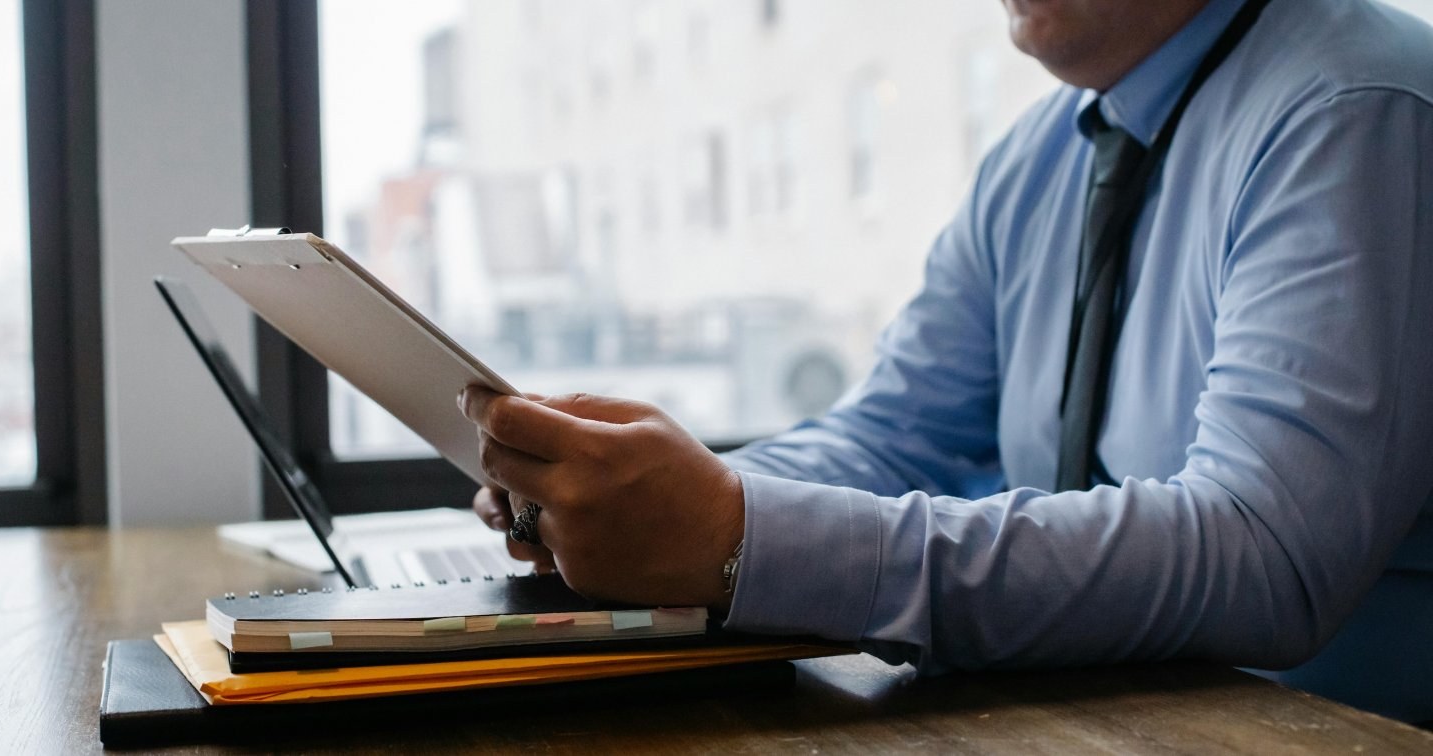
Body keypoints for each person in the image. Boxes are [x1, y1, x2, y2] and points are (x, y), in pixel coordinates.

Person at [459, 0, 1433, 723]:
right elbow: (892, 435)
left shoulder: (1357, 108)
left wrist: (741, 535)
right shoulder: (1039, 156)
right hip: (1095, 722)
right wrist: (629, 500)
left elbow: (1267, 559)